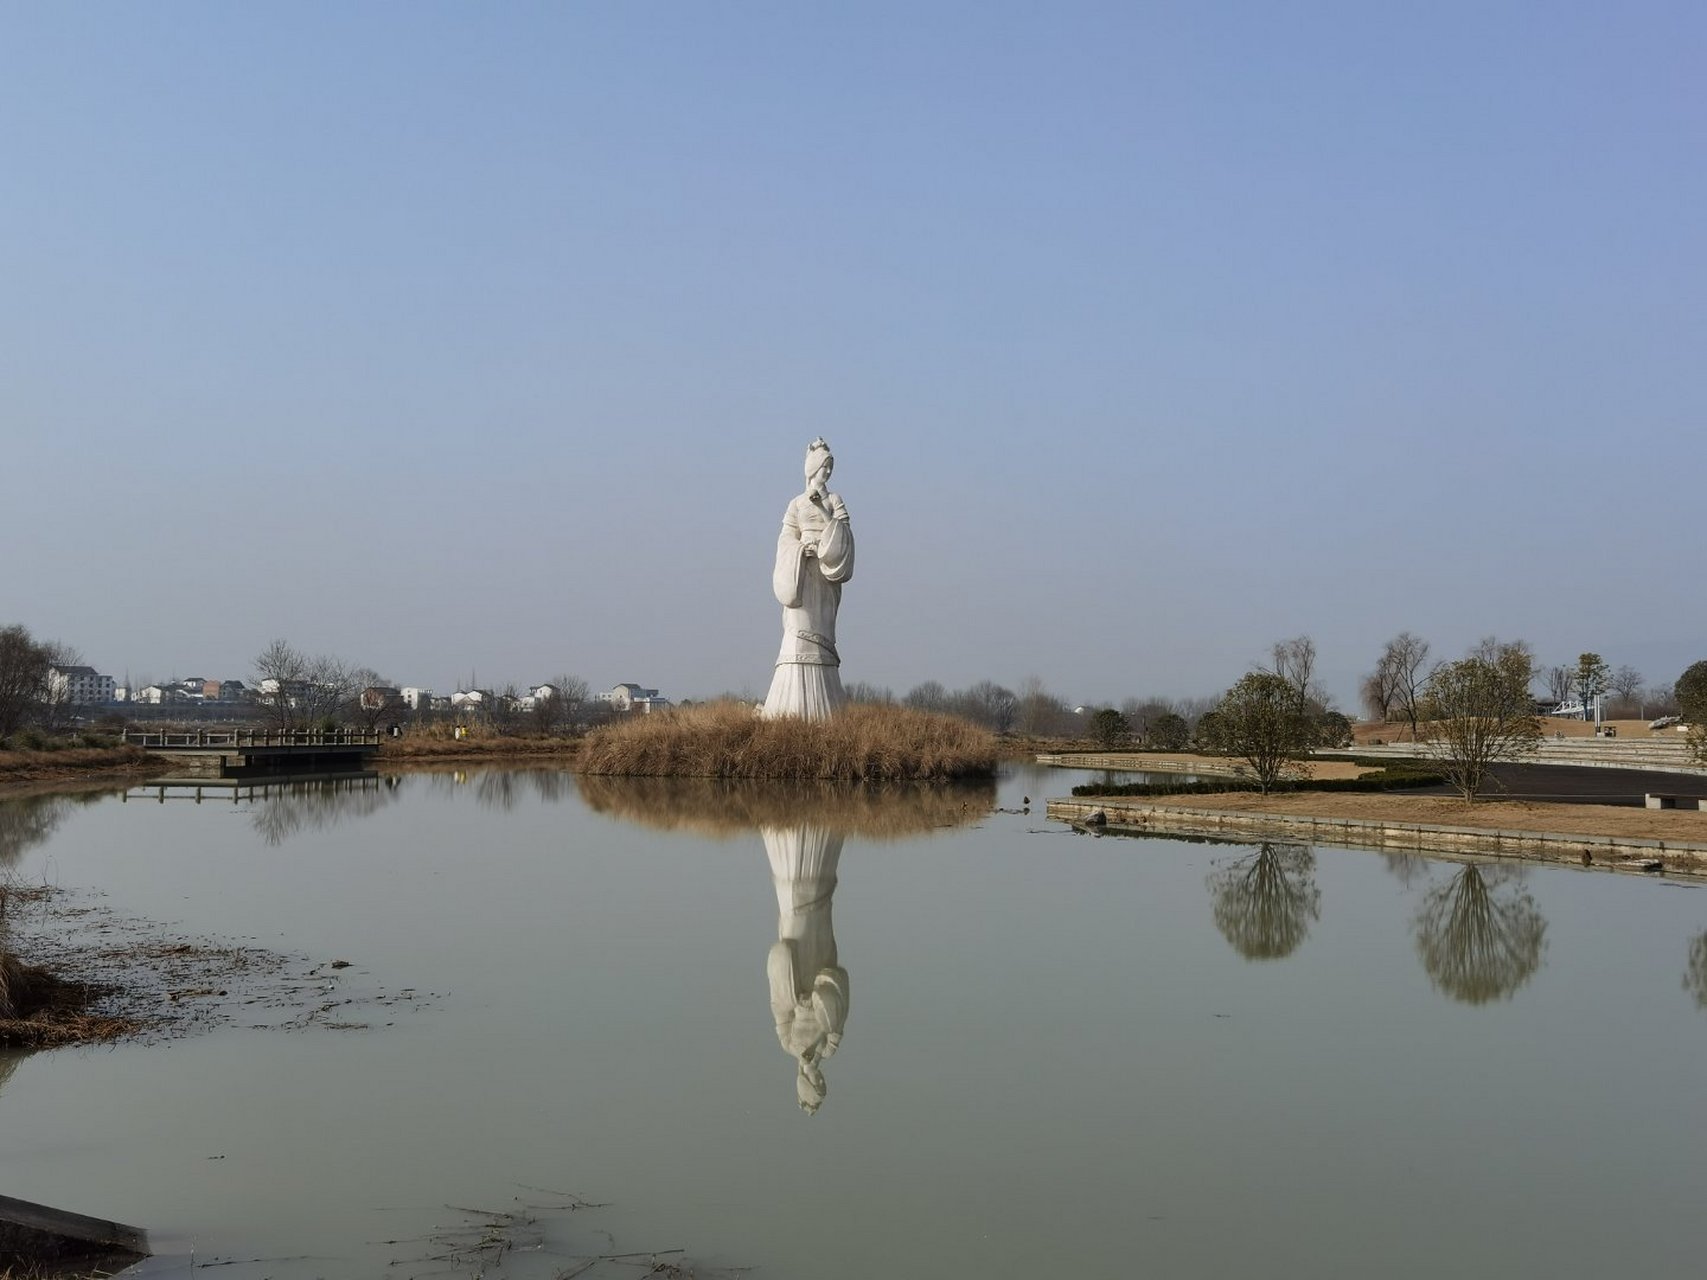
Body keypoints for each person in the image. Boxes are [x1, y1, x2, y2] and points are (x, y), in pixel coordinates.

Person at [760, 438, 854, 719]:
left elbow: (844, 535)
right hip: (800, 574)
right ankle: (789, 708)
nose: (827, 472)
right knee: (796, 635)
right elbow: (785, 539)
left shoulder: (835, 500)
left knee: (822, 633)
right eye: (824, 466)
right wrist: (801, 550)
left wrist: (823, 512)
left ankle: (827, 709)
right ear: (813, 467)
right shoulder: (796, 504)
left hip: (825, 575)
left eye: (830, 468)